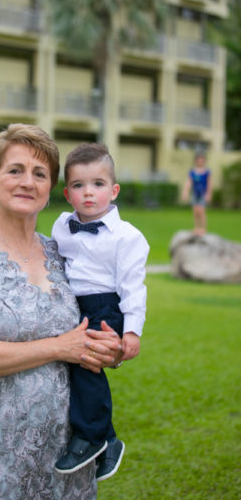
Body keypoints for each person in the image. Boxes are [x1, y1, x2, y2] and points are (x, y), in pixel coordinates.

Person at [0, 124, 122, 500]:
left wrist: (110, 348)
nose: (28, 182)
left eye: (40, 174)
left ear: (53, 187)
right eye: (15, 170)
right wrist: (59, 347)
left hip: (68, 457)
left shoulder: (64, 252)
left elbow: (91, 326)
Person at [51, 143, 149, 482]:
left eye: (98, 184)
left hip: (106, 307)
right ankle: (109, 440)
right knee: (73, 366)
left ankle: (91, 437)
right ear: (67, 193)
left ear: (114, 189)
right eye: (78, 185)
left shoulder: (128, 237)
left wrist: (131, 332)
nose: (88, 193)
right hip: (74, 306)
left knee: (86, 366)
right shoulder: (62, 226)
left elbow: (134, 288)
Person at [181, 152, 212, 235]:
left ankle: (203, 228)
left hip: (203, 194)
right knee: (195, 211)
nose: (200, 162)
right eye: (199, 160)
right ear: (195, 161)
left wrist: (209, 194)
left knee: (201, 211)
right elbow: (189, 182)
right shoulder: (192, 172)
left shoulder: (206, 172)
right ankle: (197, 227)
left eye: (202, 160)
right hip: (195, 194)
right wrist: (185, 192)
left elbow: (209, 184)